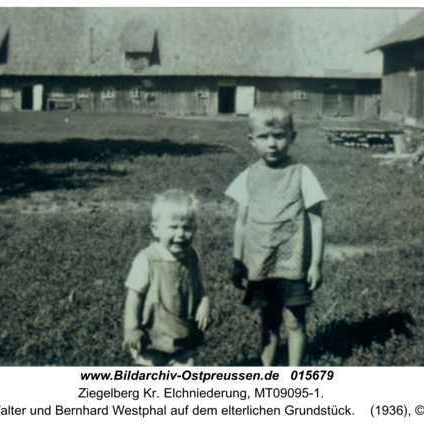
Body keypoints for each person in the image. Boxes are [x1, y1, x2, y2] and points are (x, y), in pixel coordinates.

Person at [225, 101, 326, 366]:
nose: (272, 143)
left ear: (291, 137)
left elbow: (316, 222)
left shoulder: (302, 175)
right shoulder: (248, 177)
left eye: (279, 136)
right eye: (263, 137)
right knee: (268, 323)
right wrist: (238, 262)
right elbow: (241, 224)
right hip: (261, 264)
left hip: (292, 264)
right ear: (251, 141)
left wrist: (315, 264)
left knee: (294, 321)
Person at [123, 189, 210, 366]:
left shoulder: (193, 256)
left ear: (195, 229)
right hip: (151, 336)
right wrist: (132, 329)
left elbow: (199, 284)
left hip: (183, 335)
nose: (181, 234)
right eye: (173, 227)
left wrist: (205, 302)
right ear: (156, 230)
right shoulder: (147, 259)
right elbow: (134, 297)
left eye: (187, 228)